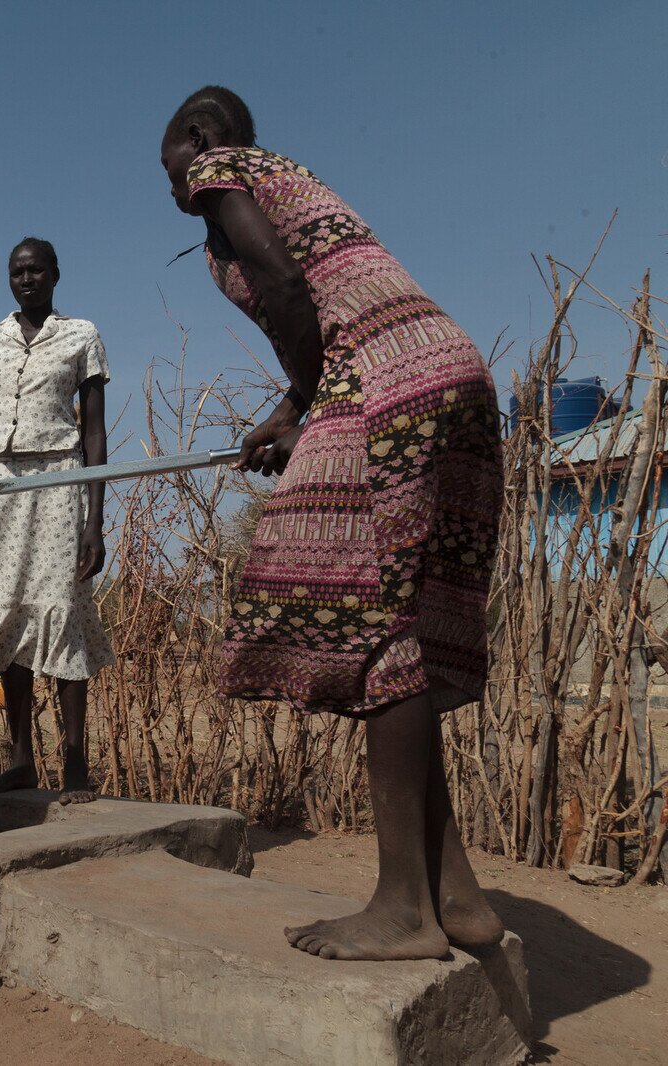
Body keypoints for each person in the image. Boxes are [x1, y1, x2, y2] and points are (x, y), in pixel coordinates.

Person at [160, 87, 505, 960]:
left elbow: (282, 283)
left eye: (167, 164)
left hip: (384, 383)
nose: (171, 185)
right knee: (404, 628)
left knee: (366, 622)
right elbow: (325, 301)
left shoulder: (219, 167)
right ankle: (454, 895)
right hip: (444, 368)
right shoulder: (295, 177)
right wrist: (295, 409)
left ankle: (403, 910)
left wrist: (317, 402)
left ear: (196, 137)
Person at [0, 238, 115, 805]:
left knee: (64, 606)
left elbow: (93, 432)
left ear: (56, 274)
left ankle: (76, 764)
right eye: (17, 272)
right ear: (8, 279)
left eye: (37, 270)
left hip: (60, 480)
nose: (27, 279)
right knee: (6, 610)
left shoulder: (81, 335)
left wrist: (95, 520)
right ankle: (20, 762)